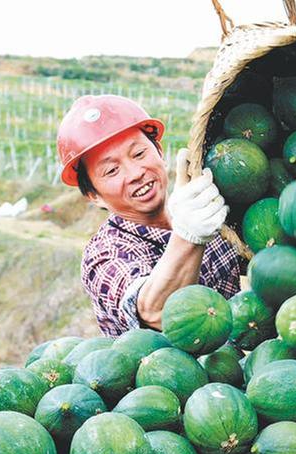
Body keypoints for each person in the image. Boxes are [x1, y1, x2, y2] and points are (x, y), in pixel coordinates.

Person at [57, 95, 240, 337]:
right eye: (112, 170)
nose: (135, 173)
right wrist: (187, 237)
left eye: (139, 154)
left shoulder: (200, 206)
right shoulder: (103, 255)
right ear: (93, 195)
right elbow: (155, 312)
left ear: (159, 152)